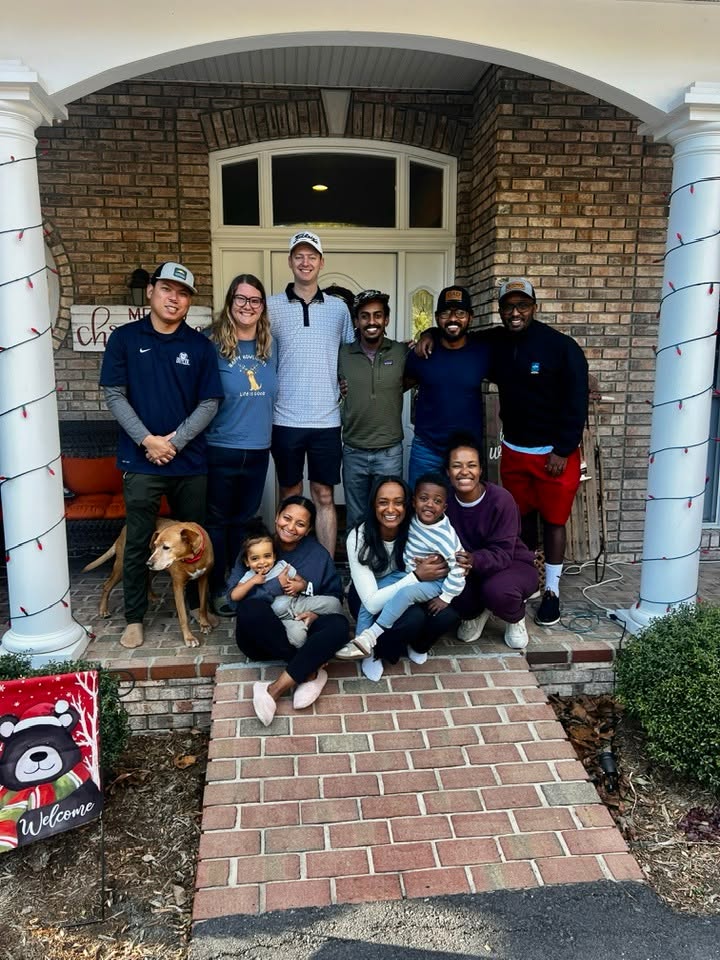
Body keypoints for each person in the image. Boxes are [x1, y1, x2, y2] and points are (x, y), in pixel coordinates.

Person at [100, 262, 223, 649]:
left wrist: (176, 441)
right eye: (168, 289)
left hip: (189, 461)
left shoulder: (199, 346)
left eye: (183, 293)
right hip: (140, 460)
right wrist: (147, 440)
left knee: (192, 541)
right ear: (151, 290)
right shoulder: (124, 339)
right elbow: (114, 395)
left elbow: (210, 401)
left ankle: (194, 608)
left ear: (189, 303)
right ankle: (134, 617)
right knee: (138, 541)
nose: (175, 298)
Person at [488, 279, 588, 625]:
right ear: (500, 310)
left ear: (534, 306)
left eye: (522, 305)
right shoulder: (497, 341)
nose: (515, 312)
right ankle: (530, 579)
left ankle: (553, 591)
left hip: (553, 454)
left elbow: (577, 401)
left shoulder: (561, 347)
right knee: (523, 519)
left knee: (555, 522)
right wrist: (428, 337)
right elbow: (462, 341)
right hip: (515, 449)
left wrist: (563, 449)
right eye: (508, 306)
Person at [267, 231, 355, 557]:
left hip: (327, 419)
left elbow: (350, 357)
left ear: (321, 262)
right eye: (299, 256)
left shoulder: (339, 310)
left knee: (324, 495)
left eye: (312, 256)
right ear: (290, 261)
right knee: (290, 493)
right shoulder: (271, 307)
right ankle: (289, 562)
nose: (306, 262)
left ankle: (326, 568)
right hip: (285, 418)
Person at [226, 495, 350, 726]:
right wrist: (274, 586)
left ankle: (276, 688)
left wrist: (314, 614)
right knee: (250, 609)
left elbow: (334, 598)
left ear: (308, 529)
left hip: (303, 629)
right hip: (262, 638)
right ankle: (309, 669)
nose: (291, 527)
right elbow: (234, 601)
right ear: (277, 517)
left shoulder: (318, 555)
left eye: (300, 524)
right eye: (287, 518)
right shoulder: (256, 547)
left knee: (339, 626)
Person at [204, 274, 278, 616]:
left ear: (262, 307)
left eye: (255, 300)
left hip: (259, 448)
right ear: (230, 303)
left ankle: (241, 584)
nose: (248, 306)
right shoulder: (211, 344)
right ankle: (217, 588)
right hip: (220, 447)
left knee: (245, 521)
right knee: (218, 523)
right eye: (241, 299)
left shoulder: (270, 346)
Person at [342, 476, 461, 681]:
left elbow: (450, 546)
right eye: (383, 502)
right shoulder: (359, 536)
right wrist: (416, 575)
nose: (391, 509)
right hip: (368, 596)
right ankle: (371, 651)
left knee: (446, 615)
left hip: (409, 587)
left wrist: (465, 559)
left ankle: (418, 645)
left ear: (408, 504)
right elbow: (370, 602)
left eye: (398, 502)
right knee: (412, 619)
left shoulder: (416, 526)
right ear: (373, 505)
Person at [444, 432, 540, 649]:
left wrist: (473, 560)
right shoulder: (445, 502)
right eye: (457, 466)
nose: (464, 472)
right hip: (467, 567)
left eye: (471, 465)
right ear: (448, 472)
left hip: (511, 564)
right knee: (449, 588)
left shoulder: (500, 499)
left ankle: (515, 617)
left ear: (480, 470)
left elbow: (504, 553)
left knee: (499, 592)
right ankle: (475, 613)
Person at [404, 286, 489, 490]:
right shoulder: (423, 353)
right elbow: (393, 387)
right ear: (436, 317)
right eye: (445, 313)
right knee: (421, 509)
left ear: (471, 316)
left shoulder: (483, 352)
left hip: (466, 453)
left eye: (460, 313)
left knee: (462, 513)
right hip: (427, 449)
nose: (452, 319)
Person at [337, 289, 408, 530]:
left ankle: (386, 566)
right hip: (354, 450)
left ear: (386, 320)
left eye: (378, 315)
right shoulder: (342, 354)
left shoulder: (400, 352)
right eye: (365, 316)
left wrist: (428, 334)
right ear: (356, 321)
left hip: (389, 452)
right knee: (356, 518)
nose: (371, 322)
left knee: (389, 517)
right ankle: (358, 565)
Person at [229, 519, 343, 647]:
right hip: (278, 617)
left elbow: (302, 581)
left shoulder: (282, 566)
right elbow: (234, 596)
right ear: (246, 562)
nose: (262, 562)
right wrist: (252, 582)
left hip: (298, 604)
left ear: (274, 556)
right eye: (255, 558)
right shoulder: (249, 576)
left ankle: (323, 626)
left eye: (267, 556)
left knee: (334, 603)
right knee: (299, 638)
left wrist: (299, 585)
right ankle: (304, 649)